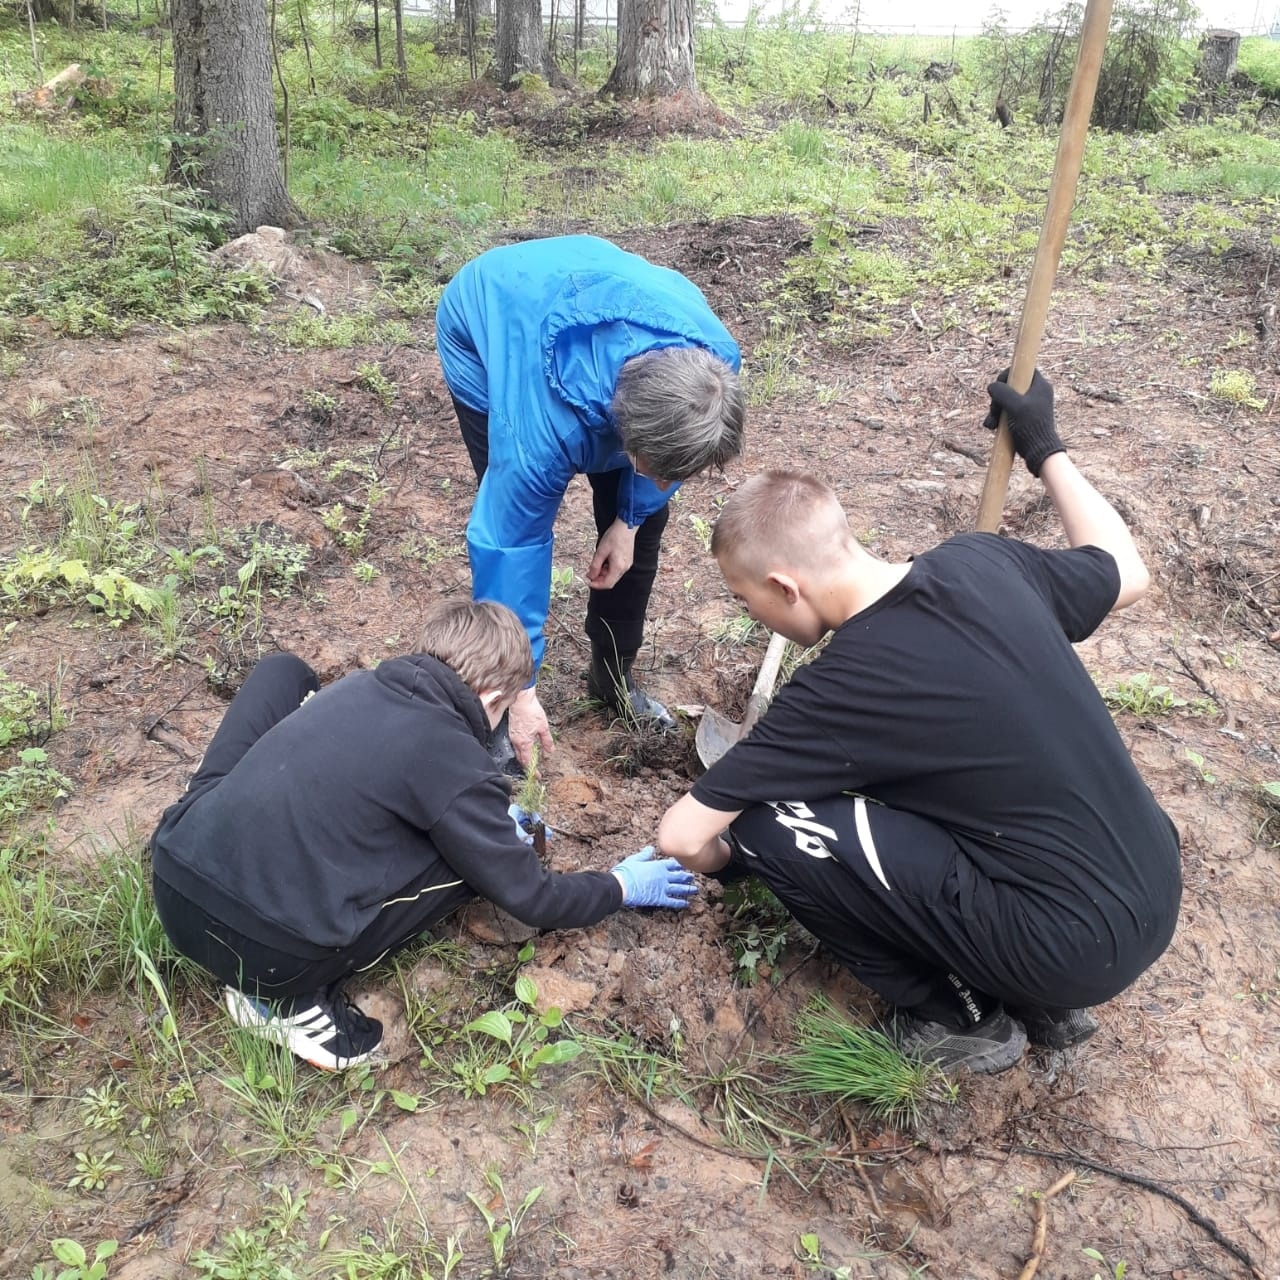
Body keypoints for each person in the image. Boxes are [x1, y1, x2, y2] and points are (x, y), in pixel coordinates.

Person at [656, 372, 1182, 1074]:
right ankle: (1042, 997)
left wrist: (738, 866)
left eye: (748, 603)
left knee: (767, 824)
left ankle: (959, 1018)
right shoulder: (982, 561)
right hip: (1152, 884)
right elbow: (1126, 569)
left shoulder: (838, 690)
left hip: (1069, 947)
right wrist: (1043, 444)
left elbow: (681, 834)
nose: (753, 617)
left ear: (786, 585)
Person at [150, 599, 696, 1072]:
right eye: (505, 710)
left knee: (283, 672)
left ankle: (199, 829)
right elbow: (531, 894)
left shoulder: (362, 685)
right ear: (490, 701)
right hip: (268, 953)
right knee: (467, 866)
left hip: (175, 878)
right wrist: (622, 884)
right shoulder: (454, 758)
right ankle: (279, 1005)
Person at [435, 235, 744, 768]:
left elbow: (667, 467)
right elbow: (513, 543)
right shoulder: (539, 427)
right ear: (626, 429)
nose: (661, 476)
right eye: (647, 464)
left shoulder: (713, 374)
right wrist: (523, 690)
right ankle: (500, 705)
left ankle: (612, 676)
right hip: (489, 317)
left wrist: (628, 519)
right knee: (513, 508)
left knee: (644, 527)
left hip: (603, 307)